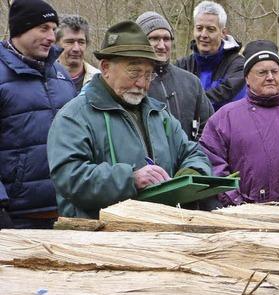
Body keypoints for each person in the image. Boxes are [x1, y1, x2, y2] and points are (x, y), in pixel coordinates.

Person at [47, 21, 212, 219]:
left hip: (159, 232)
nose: (142, 83)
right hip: (99, 239)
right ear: (106, 67)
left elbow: (194, 152)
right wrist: (130, 179)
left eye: (148, 75)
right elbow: (69, 177)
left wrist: (188, 175)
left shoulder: (159, 114)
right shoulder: (74, 116)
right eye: (134, 72)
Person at [200, 40, 279, 206]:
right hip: (242, 217)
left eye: (274, 71)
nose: (270, 77)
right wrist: (237, 203)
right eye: (262, 72)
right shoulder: (224, 118)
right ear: (247, 77)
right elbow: (212, 164)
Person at [0, 0, 76, 229]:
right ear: (20, 29)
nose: (52, 37)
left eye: (54, 29)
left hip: (64, 209)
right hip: (15, 215)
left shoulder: (61, 75)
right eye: (43, 28)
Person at [136, 12, 213, 141]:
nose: (162, 45)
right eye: (154, 38)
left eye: (166, 39)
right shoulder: (130, 84)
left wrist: (194, 156)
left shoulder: (191, 82)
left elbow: (209, 127)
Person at [176, 1, 245, 111]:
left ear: (223, 32)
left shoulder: (238, 65)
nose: (203, 35)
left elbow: (228, 99)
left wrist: (190, 103)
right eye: (199, 28)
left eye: (210, 29)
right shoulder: (182, 65)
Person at [55, 15, 99, 93]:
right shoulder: (44, 79)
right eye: (70, 42)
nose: (76, 48)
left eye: (81, 42)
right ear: (56, 44)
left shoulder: (99, 80)